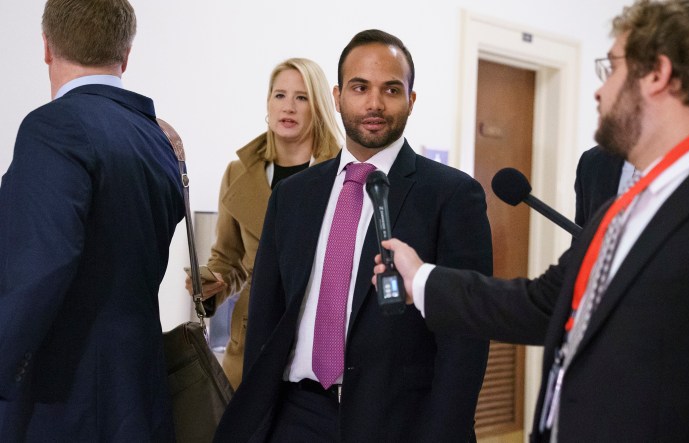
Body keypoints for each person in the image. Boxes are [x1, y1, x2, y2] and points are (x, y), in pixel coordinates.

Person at [374, 1, 689, 441]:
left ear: (657, 75)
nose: (599, 92)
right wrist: (421, 280)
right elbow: (544, 304)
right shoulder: (630, 202)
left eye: (612, 68)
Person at [214, 29, 493, 442]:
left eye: (391, 90)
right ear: (338, 95)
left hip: (398, 423)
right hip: (296, 416)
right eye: (360, 88)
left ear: (411, 101)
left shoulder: (452, 195)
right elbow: (268, 319)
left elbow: (465, 338)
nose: (375, 104)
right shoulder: (294, 196)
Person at [0, 0, 184, 440]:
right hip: (139, 393)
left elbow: (38, 267)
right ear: (125, 55)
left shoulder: (54, 127)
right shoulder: (157, 136)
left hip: (65, 403)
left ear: (46, 46)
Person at [185, 58, 341, 389]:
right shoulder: (238, 174)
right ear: (268, 103)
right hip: (252, 336)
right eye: (279, 95)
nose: (289, 107)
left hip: (318, 340)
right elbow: (228, 260)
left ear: (319, 106)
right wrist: (209, 284)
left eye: (301, 97)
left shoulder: (342, 175)